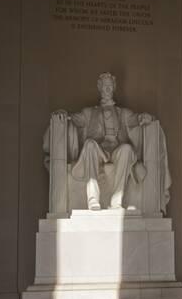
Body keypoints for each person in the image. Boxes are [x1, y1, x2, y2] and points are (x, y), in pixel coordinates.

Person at [46, 72, 171, 211]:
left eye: (110, 86)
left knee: (127, 149)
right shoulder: (89, 113)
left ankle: (116, 201)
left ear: (113, 88)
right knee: (89, 145)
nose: (107, 89)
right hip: (98, 150)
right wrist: (62, 113)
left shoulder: (123, 113)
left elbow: (136, 119)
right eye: (104, 86)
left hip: (117, 151)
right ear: (99, 88)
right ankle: (93, 198)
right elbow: (73, 118)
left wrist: (145, 117)